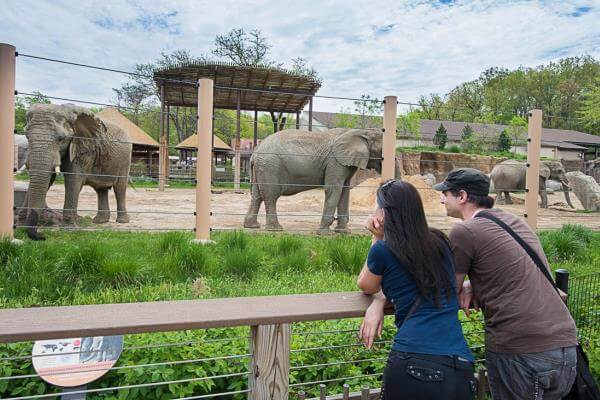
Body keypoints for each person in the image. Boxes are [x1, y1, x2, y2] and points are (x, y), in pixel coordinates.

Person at [431, 167, 578, 399]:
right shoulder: (514, 221)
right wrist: (473, 284)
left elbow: (447, 288)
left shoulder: (464, 230)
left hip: (521, 348)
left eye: (445, 193)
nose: (441, 199)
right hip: (565, 345)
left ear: (462, 196)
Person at [358, 180, 476, 400]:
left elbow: (366, 285)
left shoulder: (383, 250)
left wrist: (376, 237)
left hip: (412, 359)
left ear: (383, 213)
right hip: (459, 364)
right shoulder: (440, 241)